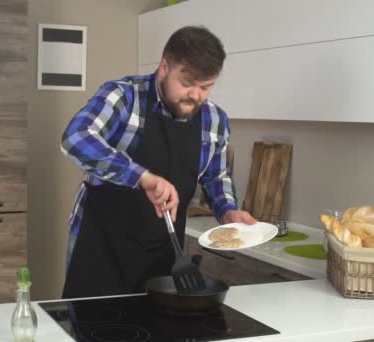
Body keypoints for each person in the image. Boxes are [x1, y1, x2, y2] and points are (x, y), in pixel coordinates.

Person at [60, 26, 256, 299]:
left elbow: (215, 176)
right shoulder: (124, 96)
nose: (196, 96)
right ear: (164, 67)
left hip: (165, 253)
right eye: (187, 83)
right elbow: (76, 138)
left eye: (206, 86)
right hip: (101, 247)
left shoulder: (214, 120)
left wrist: (228, 213)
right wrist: (142, 177)